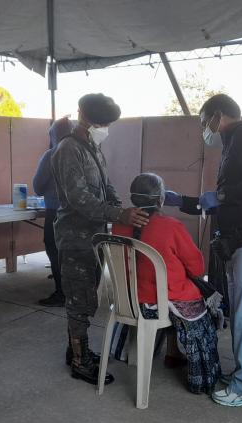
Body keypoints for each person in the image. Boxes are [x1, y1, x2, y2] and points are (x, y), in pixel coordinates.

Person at [166, 94, 242, 407]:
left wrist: (219, 194)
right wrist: (183, 201)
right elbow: (221, 200)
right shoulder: (233, 143)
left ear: (218, 116)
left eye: (205, 123)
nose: (205, 131)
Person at [51, 93, 149, 386]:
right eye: (100, 122)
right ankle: (81, 363)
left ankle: (75, 349)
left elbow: (106, 187)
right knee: (80, 301)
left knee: (88, 296)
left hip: (94, 236)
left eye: (107, 123)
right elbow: (79, 198)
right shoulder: (68, 149)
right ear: (82, 116)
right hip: (75, 237)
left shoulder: (92, 147)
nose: (104, 128)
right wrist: (120, 215)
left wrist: (124, 210)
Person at [113, 173, 221, 394]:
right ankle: (193, 367)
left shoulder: (118, 225)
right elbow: (197, 269)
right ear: (161, 199)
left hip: (131, 300)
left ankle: (169, 352)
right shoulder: (171, 226)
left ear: (133, 198)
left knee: (168, 294)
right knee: (194, 301)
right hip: (161, 303)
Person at [33, 116, 74, 307]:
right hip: (83, 213)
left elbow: (38, 187)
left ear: (53, 135)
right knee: (74, 253)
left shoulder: (51, 155)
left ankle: (61, 294)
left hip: (57, 211)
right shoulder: (86, 153)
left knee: (55, 250)